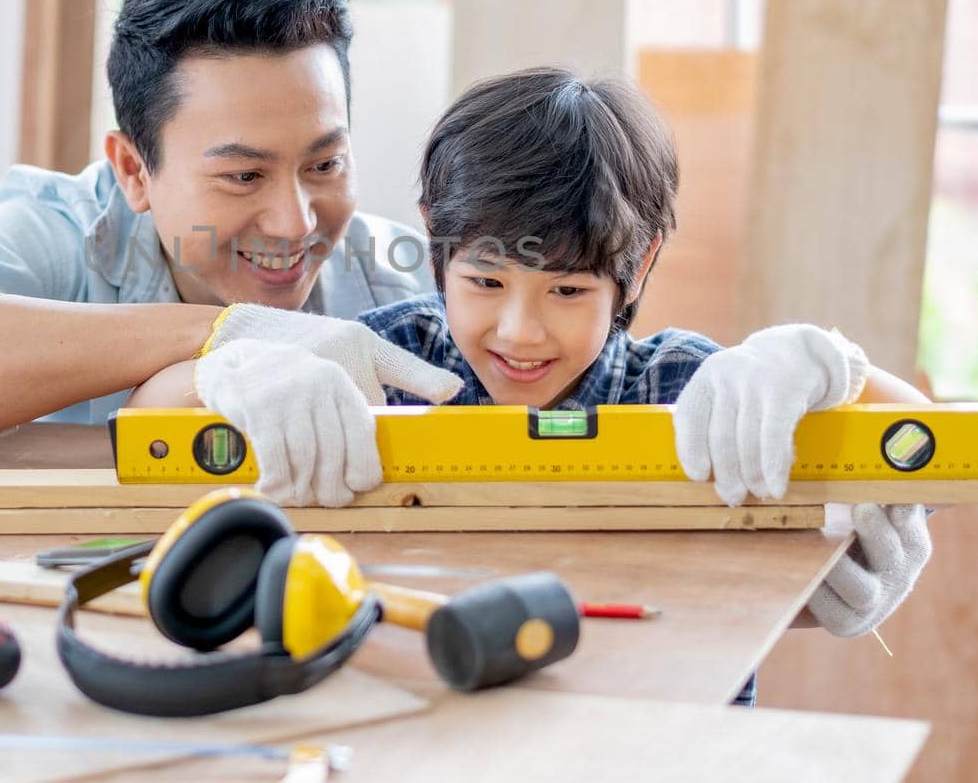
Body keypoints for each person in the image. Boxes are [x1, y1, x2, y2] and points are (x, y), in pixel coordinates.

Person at [132, 68, 934, 678]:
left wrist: (828, 368)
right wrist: (230, 368)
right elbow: (144, 422)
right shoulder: (377, 364)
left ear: (640, 262)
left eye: (568, 290)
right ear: (435, 241)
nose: (520, 330)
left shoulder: (691, 389)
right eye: (484, 283)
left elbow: (923, 432)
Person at [0, 0, 461, 461]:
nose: (296, 222)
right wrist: (227, 334)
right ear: (133, 170)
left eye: (325, 163)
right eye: (243, 177)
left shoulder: (391, 278)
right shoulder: (65, 239)